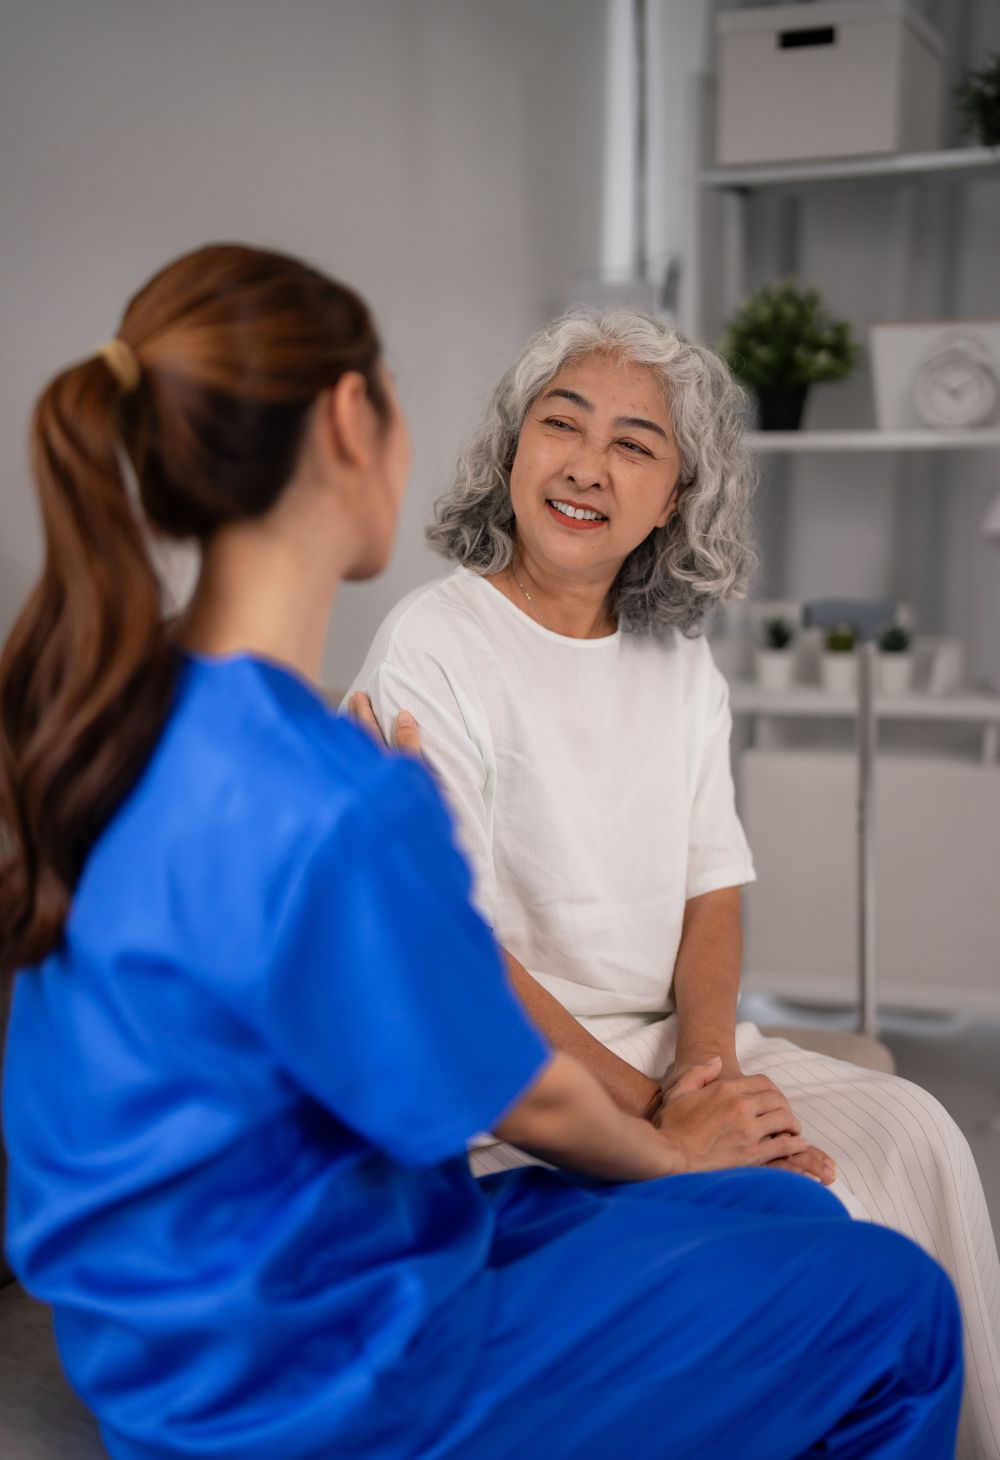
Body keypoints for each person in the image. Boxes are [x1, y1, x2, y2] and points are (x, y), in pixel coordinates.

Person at [0, 248, 962, 1460]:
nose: (585, 460)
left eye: (634, 445)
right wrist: (671, 1140)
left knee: (767, 1200)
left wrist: (689, 1117)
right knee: (902, 1308)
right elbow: (518, 1081)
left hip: (188, 1337)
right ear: (355, 422)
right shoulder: (338, 778)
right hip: (326, 1376)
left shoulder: (129, 714)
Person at [348, 306, 1000, 1460]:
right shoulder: (432, 645)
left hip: (665, 1048)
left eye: (634, 444)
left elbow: (713, 886)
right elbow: (457, 951)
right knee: (817, 1207)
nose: (587, 464)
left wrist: (710, 1073)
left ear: (675, 498)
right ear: (514, 446)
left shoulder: (678, 658)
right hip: (522, 1080)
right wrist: (664, 1118)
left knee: (914, 1130)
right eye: (562, 423)